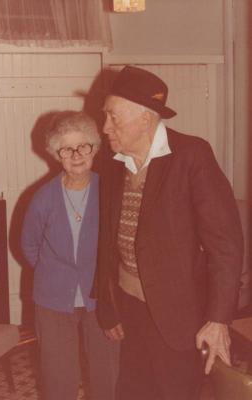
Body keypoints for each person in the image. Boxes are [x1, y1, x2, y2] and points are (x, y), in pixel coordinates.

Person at [95, 66, 244, 400]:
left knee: (173, 392)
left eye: (113, 118)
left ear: (146, 119)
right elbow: (104, 241)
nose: (105, 128)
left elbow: (226, 245)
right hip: (128, 305)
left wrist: (218, 318)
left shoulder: (192, 156)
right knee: (132, 391)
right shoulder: (113, 161)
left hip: (178, 314)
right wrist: (107, 304)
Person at [21, 111, 118, 400]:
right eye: (67, 149)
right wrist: (56, 274)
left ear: (94, 148)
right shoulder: (42, 198)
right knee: (58, 376)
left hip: (102, 297)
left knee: (108, 372)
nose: (76, 155)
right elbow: (28, 245)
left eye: (82, 146)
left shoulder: (110, 190)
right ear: (56, 155)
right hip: (52, 299)